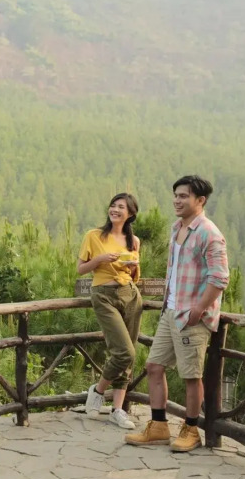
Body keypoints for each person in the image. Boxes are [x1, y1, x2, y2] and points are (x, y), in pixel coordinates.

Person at [125, 175, 229, 452]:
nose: (177, 200)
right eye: (176, 195)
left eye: (184, 196)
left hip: (192, 316)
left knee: (191, 376)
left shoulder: (209, 233)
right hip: (170, 311)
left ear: (200, 200)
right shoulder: (176, 228)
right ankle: (159, 427)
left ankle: (191, 430)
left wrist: (199, 309)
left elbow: (220, 278)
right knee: (154, 366)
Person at [79, 193, 143, 429]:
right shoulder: (94, 236)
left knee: (129, 354)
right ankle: (97, 391)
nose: (115, 210)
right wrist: (100, 259)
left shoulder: (133, 241)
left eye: (121, 207)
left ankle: (117, 410)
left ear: (131, 214)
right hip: (103, 295)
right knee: (124, 351)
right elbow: (80, 269)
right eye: (113, 205)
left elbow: (134, 276)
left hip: (130, 295)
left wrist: (132, 266)